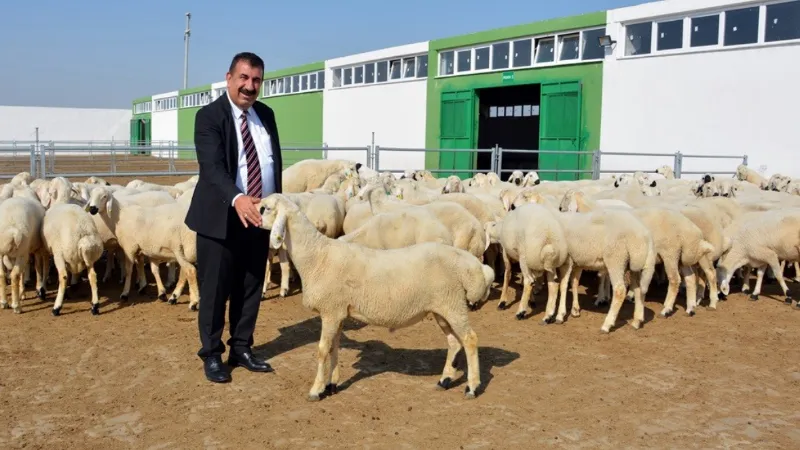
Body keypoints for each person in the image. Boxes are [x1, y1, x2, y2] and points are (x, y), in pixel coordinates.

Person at [184, 52, 283, 383]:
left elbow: (272, 165)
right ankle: (211, 354)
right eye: (243, 78)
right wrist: (238, 198)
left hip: (259, 216)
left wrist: (273, 205)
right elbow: (212, 167)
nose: (249, 86)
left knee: (251, 285)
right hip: (220, 218)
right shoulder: (209, 117)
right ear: (228, 78)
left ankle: (241, 347)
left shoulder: (266, 115)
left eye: (256, 80)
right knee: (214, 290)